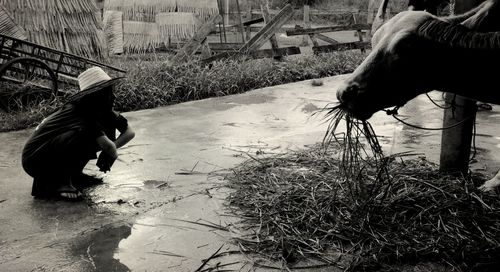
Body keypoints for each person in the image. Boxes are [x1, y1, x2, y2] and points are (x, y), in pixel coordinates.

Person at [21, 67, 135, 201]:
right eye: (109, 93)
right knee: (80, 136)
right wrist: (111, 151)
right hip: (35, 160)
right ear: (97, 96)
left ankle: (74, 175)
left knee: (103, 131)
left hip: (47, 154)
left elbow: (129, 132)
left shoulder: (102, 111)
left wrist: (110, 149)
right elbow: (108, 147)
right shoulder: (80, 112)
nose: (114, 96)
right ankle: (62, 182)